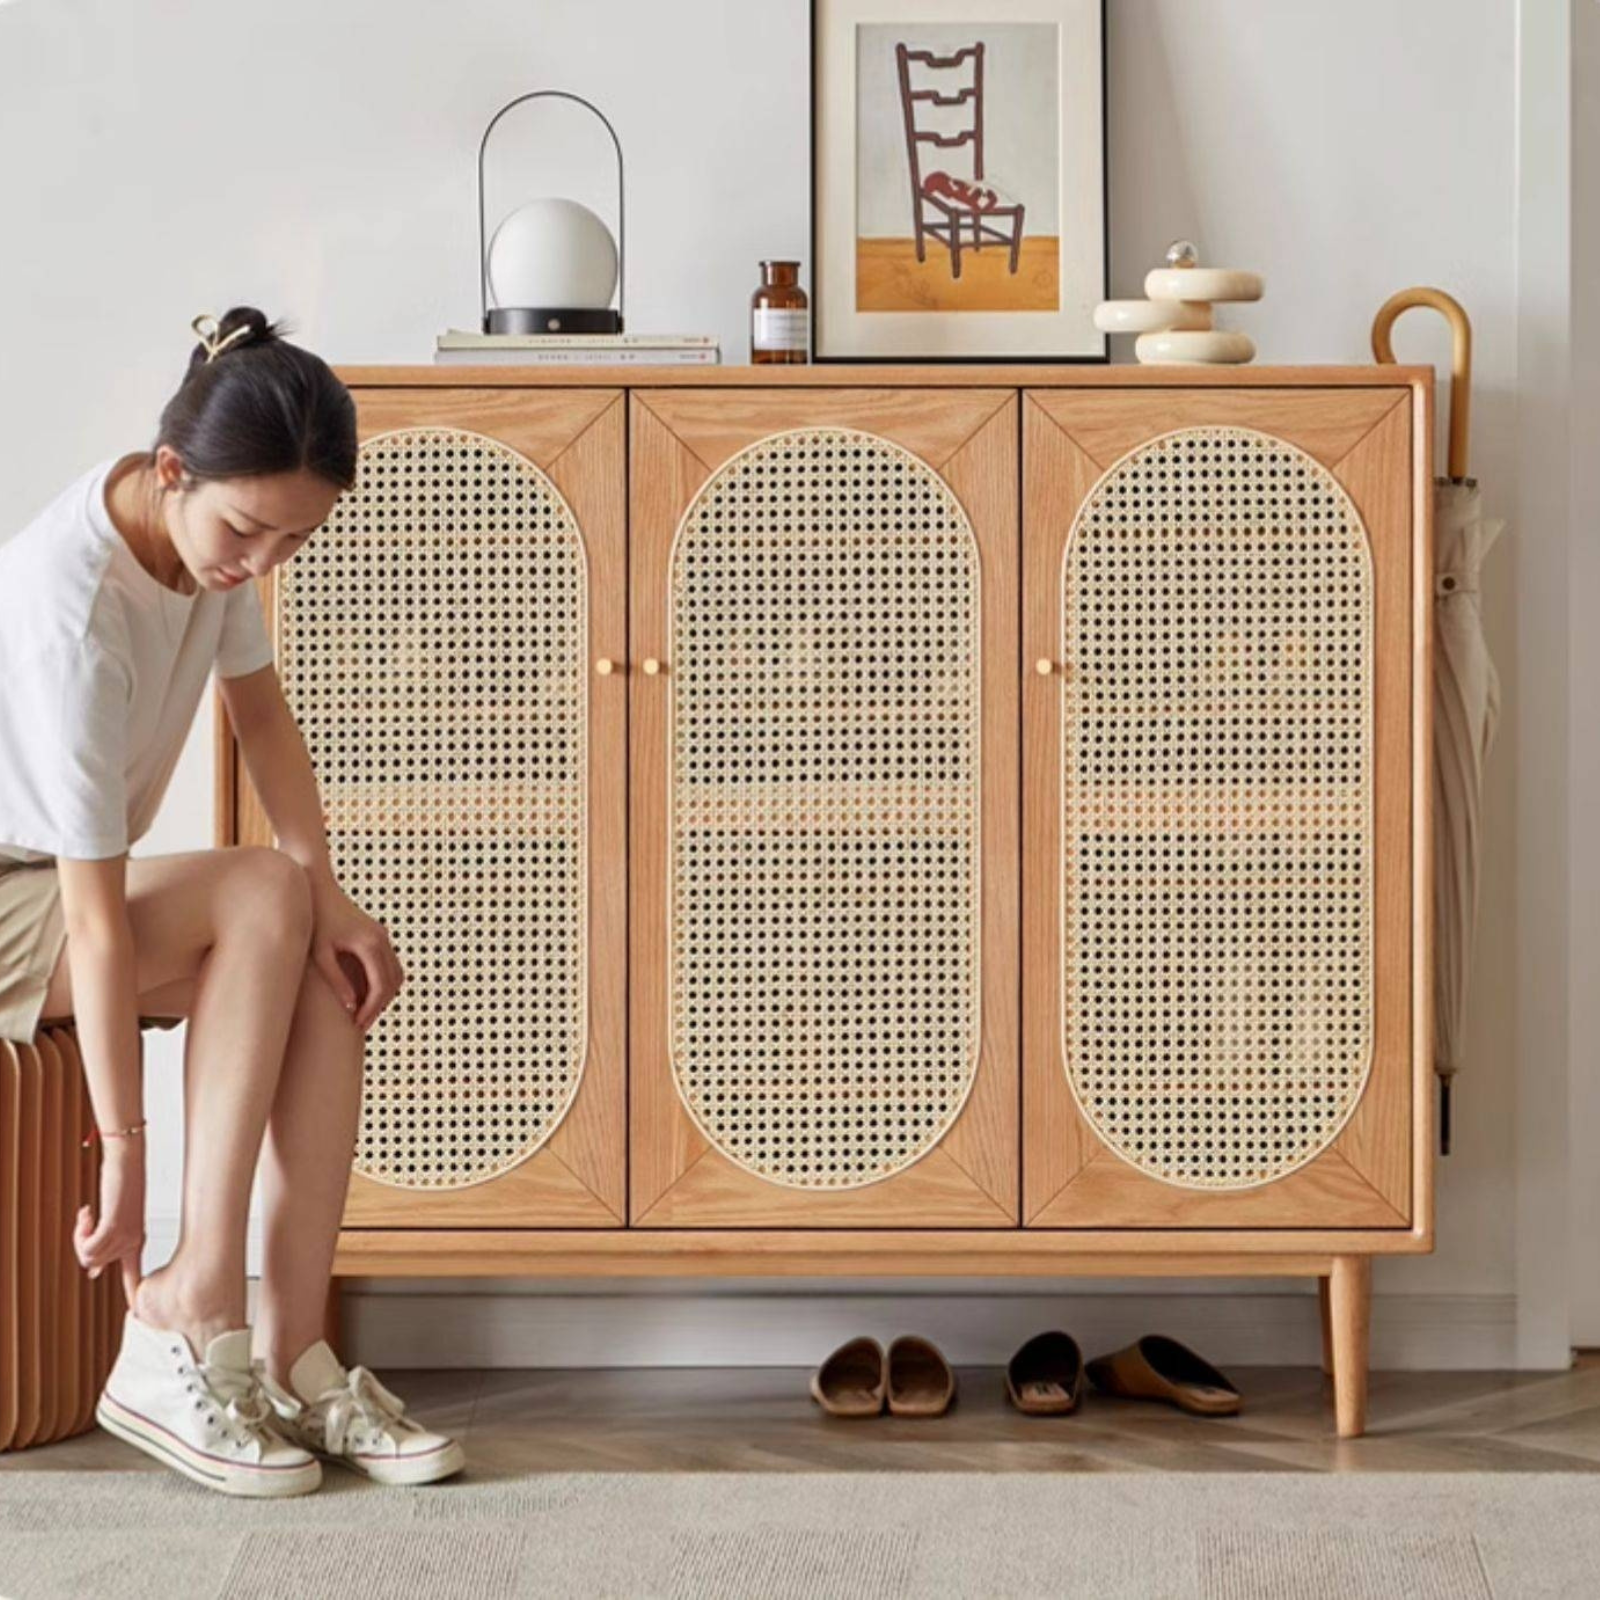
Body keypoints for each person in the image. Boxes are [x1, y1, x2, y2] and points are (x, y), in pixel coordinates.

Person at [0, 307, 464, 1496]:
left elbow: (263, 719)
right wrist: (123, 1152)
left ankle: (298, 1352)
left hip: (49, 888)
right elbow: (98, 927)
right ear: (173, 472)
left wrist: (340, 901)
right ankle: (183, 1312)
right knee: (264, 883)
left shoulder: (205, 541)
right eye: (249, 530)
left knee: (306, 932)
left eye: (291, 544)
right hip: (18, 901)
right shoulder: (74, 614)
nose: (259, 564)